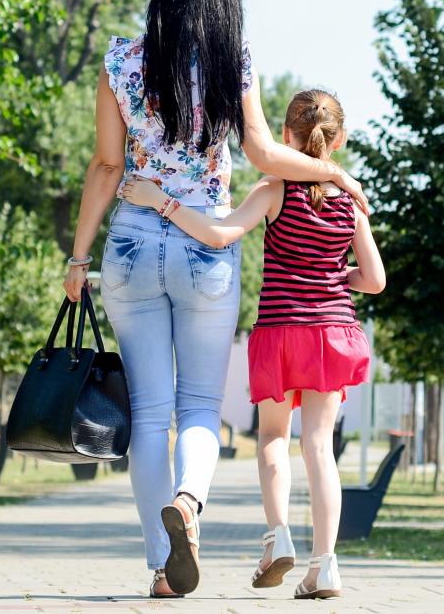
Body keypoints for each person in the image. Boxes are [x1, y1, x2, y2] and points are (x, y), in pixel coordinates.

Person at [62, 0, 368, 600]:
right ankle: (189, 505)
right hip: (205, 242)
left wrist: (78, 256)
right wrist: (332, 171)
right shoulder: (235, 61)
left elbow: (106, 166)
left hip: (134, 243)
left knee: (149, 410)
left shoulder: (121, 59)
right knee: (199, 404)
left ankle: (160, 567)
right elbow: (261, 151)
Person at [122, 88, 385, 600]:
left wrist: (162, 200)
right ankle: (325, 565)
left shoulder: (273, 190)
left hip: (281, 333)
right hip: (332, 335)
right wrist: (332, 277)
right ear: (340, 140)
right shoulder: (351, 203)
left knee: (271, 441)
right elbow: (373, 280)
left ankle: (277, 536)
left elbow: (219, 235)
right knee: (319, 448)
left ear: (284, 137)